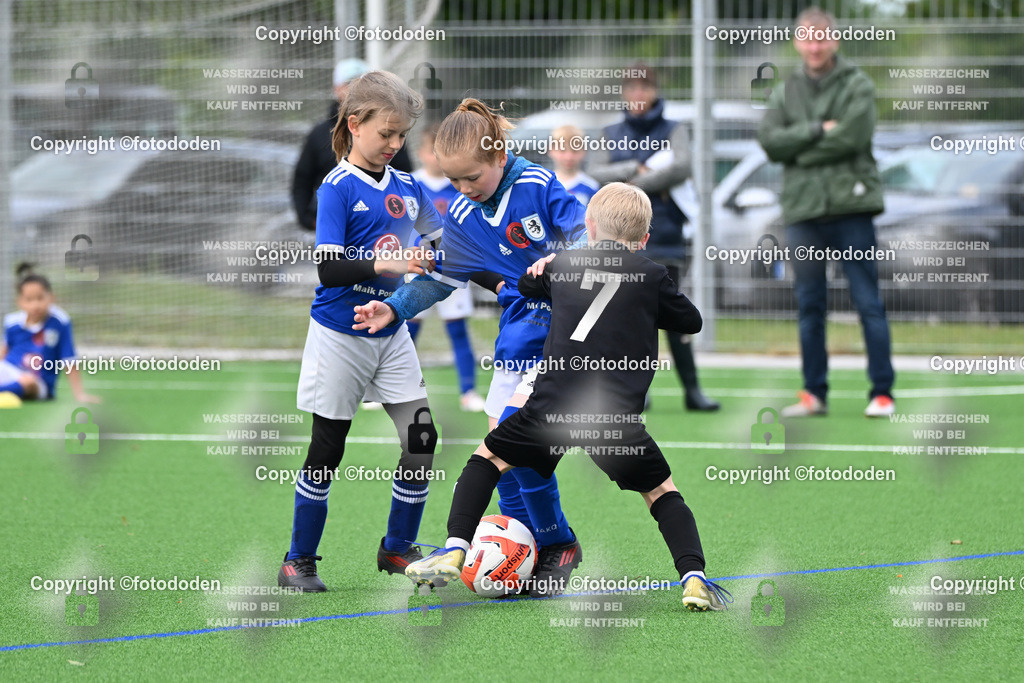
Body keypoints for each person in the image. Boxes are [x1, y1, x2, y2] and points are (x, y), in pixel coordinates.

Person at [404, 183, 732, 611]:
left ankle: (454, 547)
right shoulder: (651, 274)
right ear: (645, 238)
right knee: (661, 493)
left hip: (550, 407)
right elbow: (690, 321)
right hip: (614, 420)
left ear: (589, 228)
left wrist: (545, 266)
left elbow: (524, 285)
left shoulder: (565, 264)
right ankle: (693, 577)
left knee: (487, 459)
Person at [352, 98, 586, 597]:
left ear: (499, 157)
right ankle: (530, 549)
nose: (461, 189)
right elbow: (442, 277)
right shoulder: (462, 211)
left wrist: (564, 263)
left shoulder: (537, 185)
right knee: (502, 440)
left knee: (511, 439)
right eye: (452, 179)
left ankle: (556, 543)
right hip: (519, 335)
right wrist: (394, 307)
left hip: (566, 333)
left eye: (470, 178)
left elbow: (589, 236)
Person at [278, 71, 444, 593]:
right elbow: (329, 271)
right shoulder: (336, 187)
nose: (396, 145)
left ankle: (397, 549)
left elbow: (441, 246)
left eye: (402, 136)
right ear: (355, 124)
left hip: (390, 330)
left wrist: (437, 255)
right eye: (386, 134)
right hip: (339, 333)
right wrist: (391, 261)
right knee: (328, 446)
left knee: (421, 439)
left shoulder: (409, 185)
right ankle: (297, 561)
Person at [757, 7, 895, 418]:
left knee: (868, 301)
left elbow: (853, 137)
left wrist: (798, 148)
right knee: (809, 304)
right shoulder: (784, 90)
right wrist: (819, 130)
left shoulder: (857, 84)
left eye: (821, 38)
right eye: (807, 38)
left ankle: (882, 393)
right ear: (798, 42)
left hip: (852, 208)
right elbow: (769, 142)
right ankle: (813, 393)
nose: (814, 46)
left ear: (834, 40)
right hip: (803, 212)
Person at [587, 65, 719, 412]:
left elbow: (682, 166)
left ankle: (692, 391)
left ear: (656, 92)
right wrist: (633, 169)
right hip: (619, 240)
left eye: (645, 88)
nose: (639, 95)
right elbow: (596, 170)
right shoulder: (609, 131)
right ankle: (636, 391)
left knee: (673, 315)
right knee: (628, 317)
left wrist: (633, 187)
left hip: (666, 236)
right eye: (632, 88)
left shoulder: (674, 129)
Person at [408, 124, 486, 413]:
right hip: (417, 270)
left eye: (442, 153)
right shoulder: (410, 183)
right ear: (421, 154)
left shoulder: (462, 185)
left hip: (453, 271)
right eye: (432, 152)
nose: (437, 158)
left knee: (458, 330)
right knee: (407, 330)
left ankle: (468, 392)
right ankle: (389, 391)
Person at [291, 59, 412, 231]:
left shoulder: (390, 130)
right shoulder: (318, 135)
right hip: (334, 228)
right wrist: (309, 219)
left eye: (360, 83)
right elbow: (302, 180)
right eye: (349, 83)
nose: (354, 90)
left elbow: (405, 175)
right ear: (336, 89)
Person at [0, 264, 100, 408]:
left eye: (40, 298)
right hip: (12, 371)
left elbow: (69, 359)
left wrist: (79, 394)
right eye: (29, 300)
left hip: (38, 382)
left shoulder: (60, 322)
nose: (35, 305)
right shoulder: (12, 322)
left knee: (28, 382)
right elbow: (4, 351)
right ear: (20, 302)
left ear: (52, 298)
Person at [548, 125, 599, 206]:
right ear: (551, 150)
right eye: (562, 150)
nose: (568, 157)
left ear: (583, 151)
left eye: (574, 151)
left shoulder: (591, 187)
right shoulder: (545, 184)